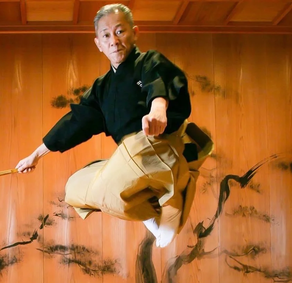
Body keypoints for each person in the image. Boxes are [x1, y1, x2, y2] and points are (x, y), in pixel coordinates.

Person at [15, 3, 213, 247]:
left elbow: (158, 84)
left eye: (120, 32)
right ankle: (154, 213)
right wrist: (35, 155)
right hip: (129, 159)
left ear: (134, 32)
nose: (114, 41)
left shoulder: (149, 61)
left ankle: (172, 201)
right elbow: (76, 122)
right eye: (106, 35)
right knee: (75, 188)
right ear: (98, 43)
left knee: (127, 165)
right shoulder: (102, 88)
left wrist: (157, 109)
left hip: (159, 145)